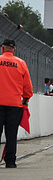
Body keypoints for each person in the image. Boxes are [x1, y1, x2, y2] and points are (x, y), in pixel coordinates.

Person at [0, 39, 33, 168]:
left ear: (2, 48)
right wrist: (26, 99)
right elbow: (28, 87)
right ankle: (10, 161)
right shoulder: (21, 63)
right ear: (14, 50)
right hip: (15, 105)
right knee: (11, 134)